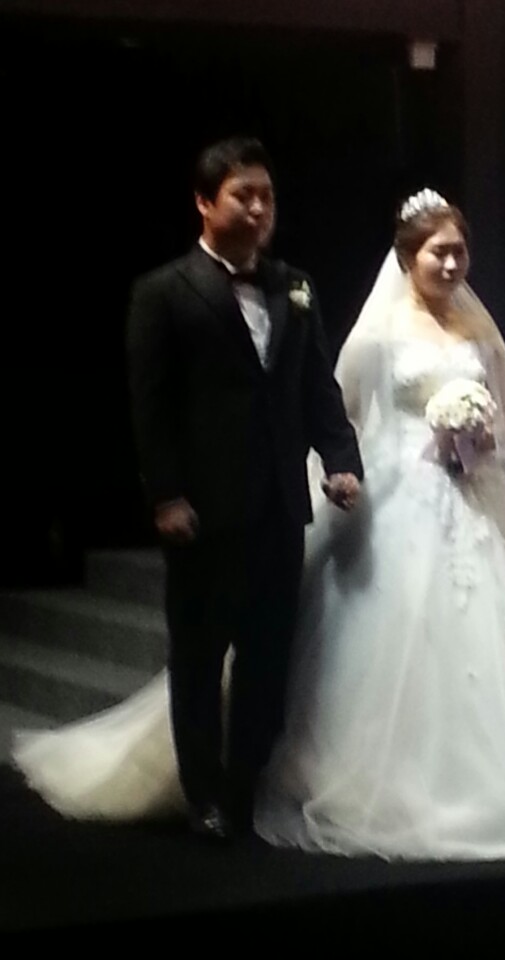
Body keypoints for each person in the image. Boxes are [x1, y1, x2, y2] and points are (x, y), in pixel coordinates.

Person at [13, 189, 505, 861]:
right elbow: (341, 411)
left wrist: (481, 438)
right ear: (408, 257)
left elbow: (504, 413)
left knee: (497, 629)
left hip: (472, 498)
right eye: (438, 252)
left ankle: (493, 768)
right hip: (397, 495)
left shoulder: (477, 330)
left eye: (460, 252)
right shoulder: (378, 333)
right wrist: (342, 475)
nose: (451, 265)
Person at [19, 135, 363, 843]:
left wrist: (340, 457)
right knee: (200, 659)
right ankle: (202, 791)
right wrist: (166, 496)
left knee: (269, 657)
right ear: (205, 202)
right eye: (244, 195)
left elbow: (316, 385)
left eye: (267, 196)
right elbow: (151, 406)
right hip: (204, 510)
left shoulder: (294, 286)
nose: (260, 208)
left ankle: (246, 786)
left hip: (279, 505)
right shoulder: (164, 291)